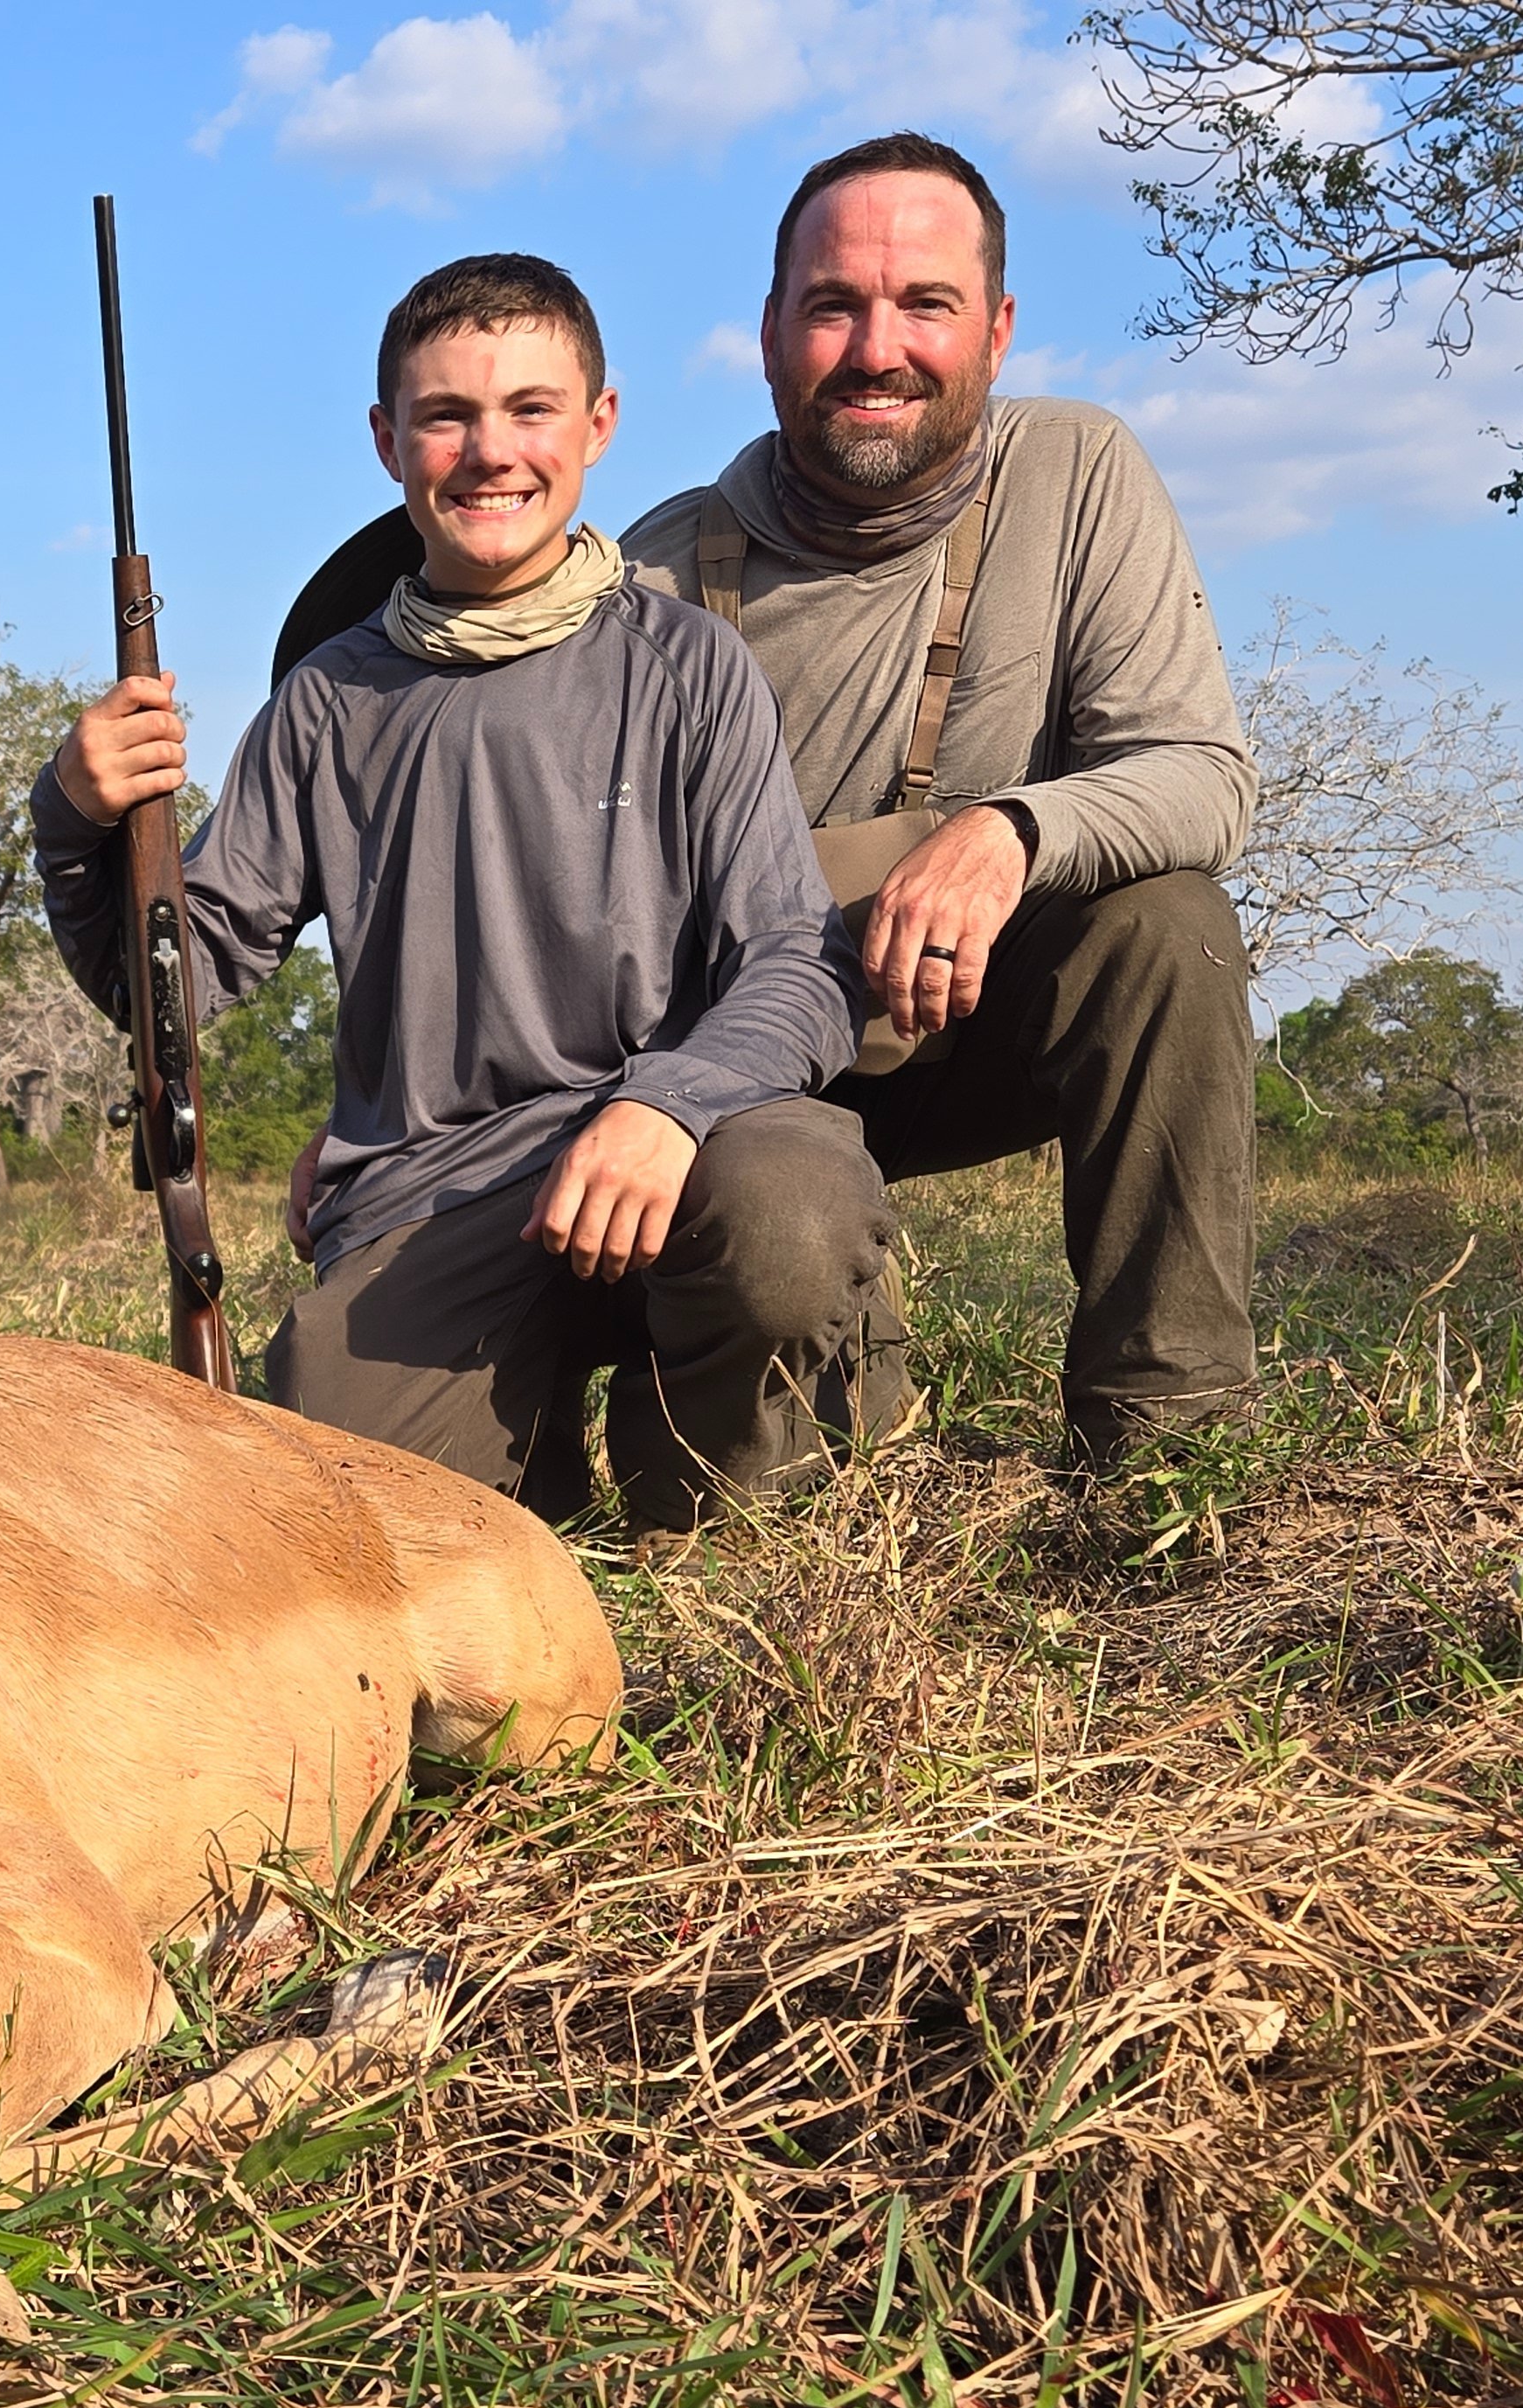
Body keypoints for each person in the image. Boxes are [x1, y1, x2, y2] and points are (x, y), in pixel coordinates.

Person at [274, 137, 1260, 1467]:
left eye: (926, 304)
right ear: (768, 333)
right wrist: (384, 1100)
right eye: (833, 305)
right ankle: (673, 1381)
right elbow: (458, 849)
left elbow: (1201, 774)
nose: (877, 347)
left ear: (998, 329)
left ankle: (1166, 1431)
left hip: (965, 1020)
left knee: (1166, 925)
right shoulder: (646, 585)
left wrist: (1010, 830)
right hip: (729, 1085)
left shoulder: (1081, 475)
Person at [32, 253, 897, 1531]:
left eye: (531, 410)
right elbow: (173, 984)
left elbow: (796, 964)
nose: (491, 453)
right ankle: (522, 1446)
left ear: (598, 426)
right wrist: (75, 821)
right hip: (436, 1195)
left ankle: (714, 1506)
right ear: (388, 442)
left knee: (786, 1217)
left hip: (684, 1152)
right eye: (447, 416)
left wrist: (666, 1105)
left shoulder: (689, 667)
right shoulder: (324, 702)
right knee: (328, 1507)